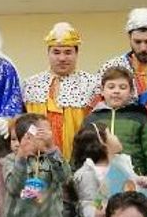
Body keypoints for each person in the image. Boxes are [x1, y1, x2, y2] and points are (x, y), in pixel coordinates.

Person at [72, 123, 147, 217]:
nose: (116, 136)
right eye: (111, 133)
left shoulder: (122, 163)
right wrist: (96, 215)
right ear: (102, 142)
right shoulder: (88, 172)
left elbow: (136, 192)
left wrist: (146, 185)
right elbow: (86, 205)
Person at [84, 66, 147, 197]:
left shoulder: (140, 118)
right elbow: (80, 155)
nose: (116, 91)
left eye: (122, 87)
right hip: (98, 186)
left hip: (134, 186)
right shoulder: (91, 119)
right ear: (102, 91)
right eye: (111, 87)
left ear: (131, 92)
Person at [23, 22, 98, 159]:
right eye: (56, 52)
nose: (62, 58)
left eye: (68, 52)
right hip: (37, 160)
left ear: (77, 53)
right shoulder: (30, 84)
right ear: (48, 53)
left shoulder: (92, 84)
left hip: (79, 159)